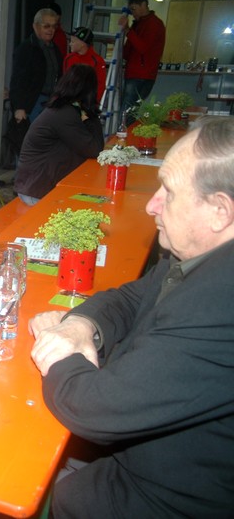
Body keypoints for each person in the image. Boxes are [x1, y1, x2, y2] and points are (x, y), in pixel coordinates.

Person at [28, 117, 234, 517]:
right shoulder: (201, 256)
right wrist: (79, 326)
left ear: (219, 211)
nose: (152, 204)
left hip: (166, 494)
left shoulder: (219, 306)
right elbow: (131, 297)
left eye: (168, 192)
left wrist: (56, 347)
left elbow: (93, 409)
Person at [14, 64, 105, 205]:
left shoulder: (62, 108)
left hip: (37, 187)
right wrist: (91, 112)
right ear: (89, 90)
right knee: (96, 206)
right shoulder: (64, 114)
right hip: (37, 192)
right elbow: (95, 149)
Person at [10, 7, 63, 125]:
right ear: (35, 26)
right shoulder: (26, 49)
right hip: (32, 104)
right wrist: (19, 107)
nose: (51, 30)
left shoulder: (55, 50)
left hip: (51, 103)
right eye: (46, 26)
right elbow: (17, 80)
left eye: (54, 26)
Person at [118, 0, 165, 121]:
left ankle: (122, 132)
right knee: (129, 110)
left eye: (134, 9)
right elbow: (129, 49)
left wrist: (128, 30)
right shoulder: (139, 24)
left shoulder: (154, 24)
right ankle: (124, 131)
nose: (133, 13)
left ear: (143, 5)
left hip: (142, 75)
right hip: (135, 73)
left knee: (128, 110)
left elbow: (143, 47)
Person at [63, 27, 107, 107]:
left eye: (73, 41)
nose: (70, 44)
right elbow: (65, 82)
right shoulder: (68, 58)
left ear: (82, 43)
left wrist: (92, 104)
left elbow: (100, 85)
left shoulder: (97, 61)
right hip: (69, 103)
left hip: (88, 104)